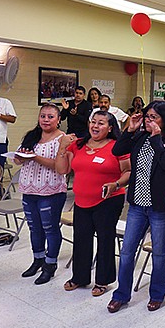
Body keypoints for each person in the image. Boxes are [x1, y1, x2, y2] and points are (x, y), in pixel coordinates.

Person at [106, 101, 165, 313]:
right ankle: (121, 294)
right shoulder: (138, 136)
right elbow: (117, 149)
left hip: (160, 207)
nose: (148, 121)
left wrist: (157, 138)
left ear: (164, 120)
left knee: (159, 252)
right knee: (127, 251)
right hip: (137, 205)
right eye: (147, 116)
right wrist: (130, 129)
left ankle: (157, 294)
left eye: (154, 117)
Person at [55, 111, 131, 297]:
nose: (95, 126)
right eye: (93, 122)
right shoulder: (78, 145)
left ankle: (103, 280)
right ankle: (79, 277)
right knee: (81, 239)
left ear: (111, 128)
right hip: (82, 201)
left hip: (108, 200)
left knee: (105, 240)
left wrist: (116, 184)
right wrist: (63, 148)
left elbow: (128, 172)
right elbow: (62, 169)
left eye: (101, 123)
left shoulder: (117, 147)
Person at [15, 103, 67, 285]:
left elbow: (60, 167)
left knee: (50, 228)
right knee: (34, 228)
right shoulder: (32, 135)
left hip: (51, 191)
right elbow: (17, 160)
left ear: (59, 119)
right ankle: (37, 260)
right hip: (29, 189)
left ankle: (50, 265)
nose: (46, 119)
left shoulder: (63, 139)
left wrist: (34, 157)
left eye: (50, 116)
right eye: (43, 116)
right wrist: (20, 157)